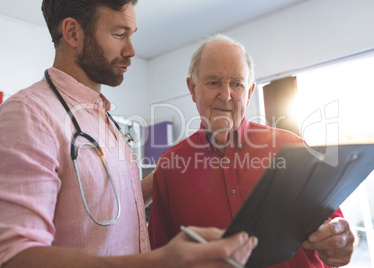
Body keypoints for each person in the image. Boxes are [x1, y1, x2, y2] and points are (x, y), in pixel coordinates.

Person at [0, 1, 258, 267]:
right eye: (119, 35)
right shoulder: (29, 115)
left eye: (131, 35)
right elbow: (14, 256)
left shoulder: (101, 117)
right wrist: (159, 262)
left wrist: (176, 164)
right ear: (73, 33)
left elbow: (116, 199)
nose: (131, 50)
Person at [148, 34, 355, 267]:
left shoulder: (292, 147)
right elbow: (161, 258)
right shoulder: (169, 169)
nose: (226, 96)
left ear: (249, 93)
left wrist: (342, 240)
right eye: (214, 82)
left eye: (237, 84)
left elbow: (337, 231)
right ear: (193, 88)